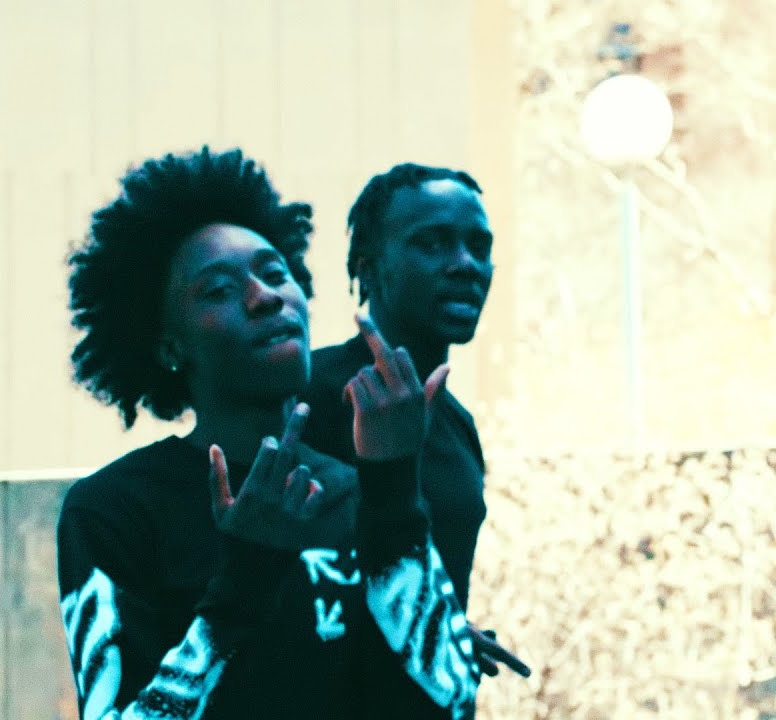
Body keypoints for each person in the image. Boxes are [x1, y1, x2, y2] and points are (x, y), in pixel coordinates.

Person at [58, 148, 513, 719]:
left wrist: (394, 483)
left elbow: (445, 705)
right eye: (219, 290)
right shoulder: (114, 509)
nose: (266, 296)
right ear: (170, 345)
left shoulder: (361, 498)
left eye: (276, 274)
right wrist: (244, 579)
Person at [303, 163, 527, 716]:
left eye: (479, 247)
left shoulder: (457, 423)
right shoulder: (308, 399)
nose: (465, 264)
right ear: (367, 268)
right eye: (432, 243)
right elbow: (284, 584)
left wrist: (445, 626)